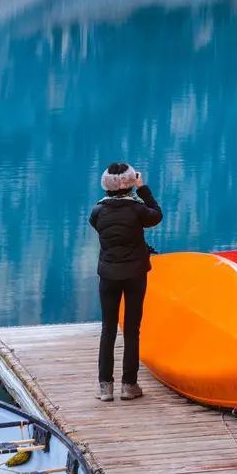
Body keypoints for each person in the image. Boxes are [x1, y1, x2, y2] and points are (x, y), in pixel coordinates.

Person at [90, 161, 163, 402]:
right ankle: (129, 385)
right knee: (132, 331)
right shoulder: (138, 211)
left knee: (107, 330)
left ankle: (105, 387)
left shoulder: (98, 211)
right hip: (135, 275)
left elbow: (96, 224)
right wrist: (142, 189)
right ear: (131, 181)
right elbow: (156, 214)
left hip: (108, 276)